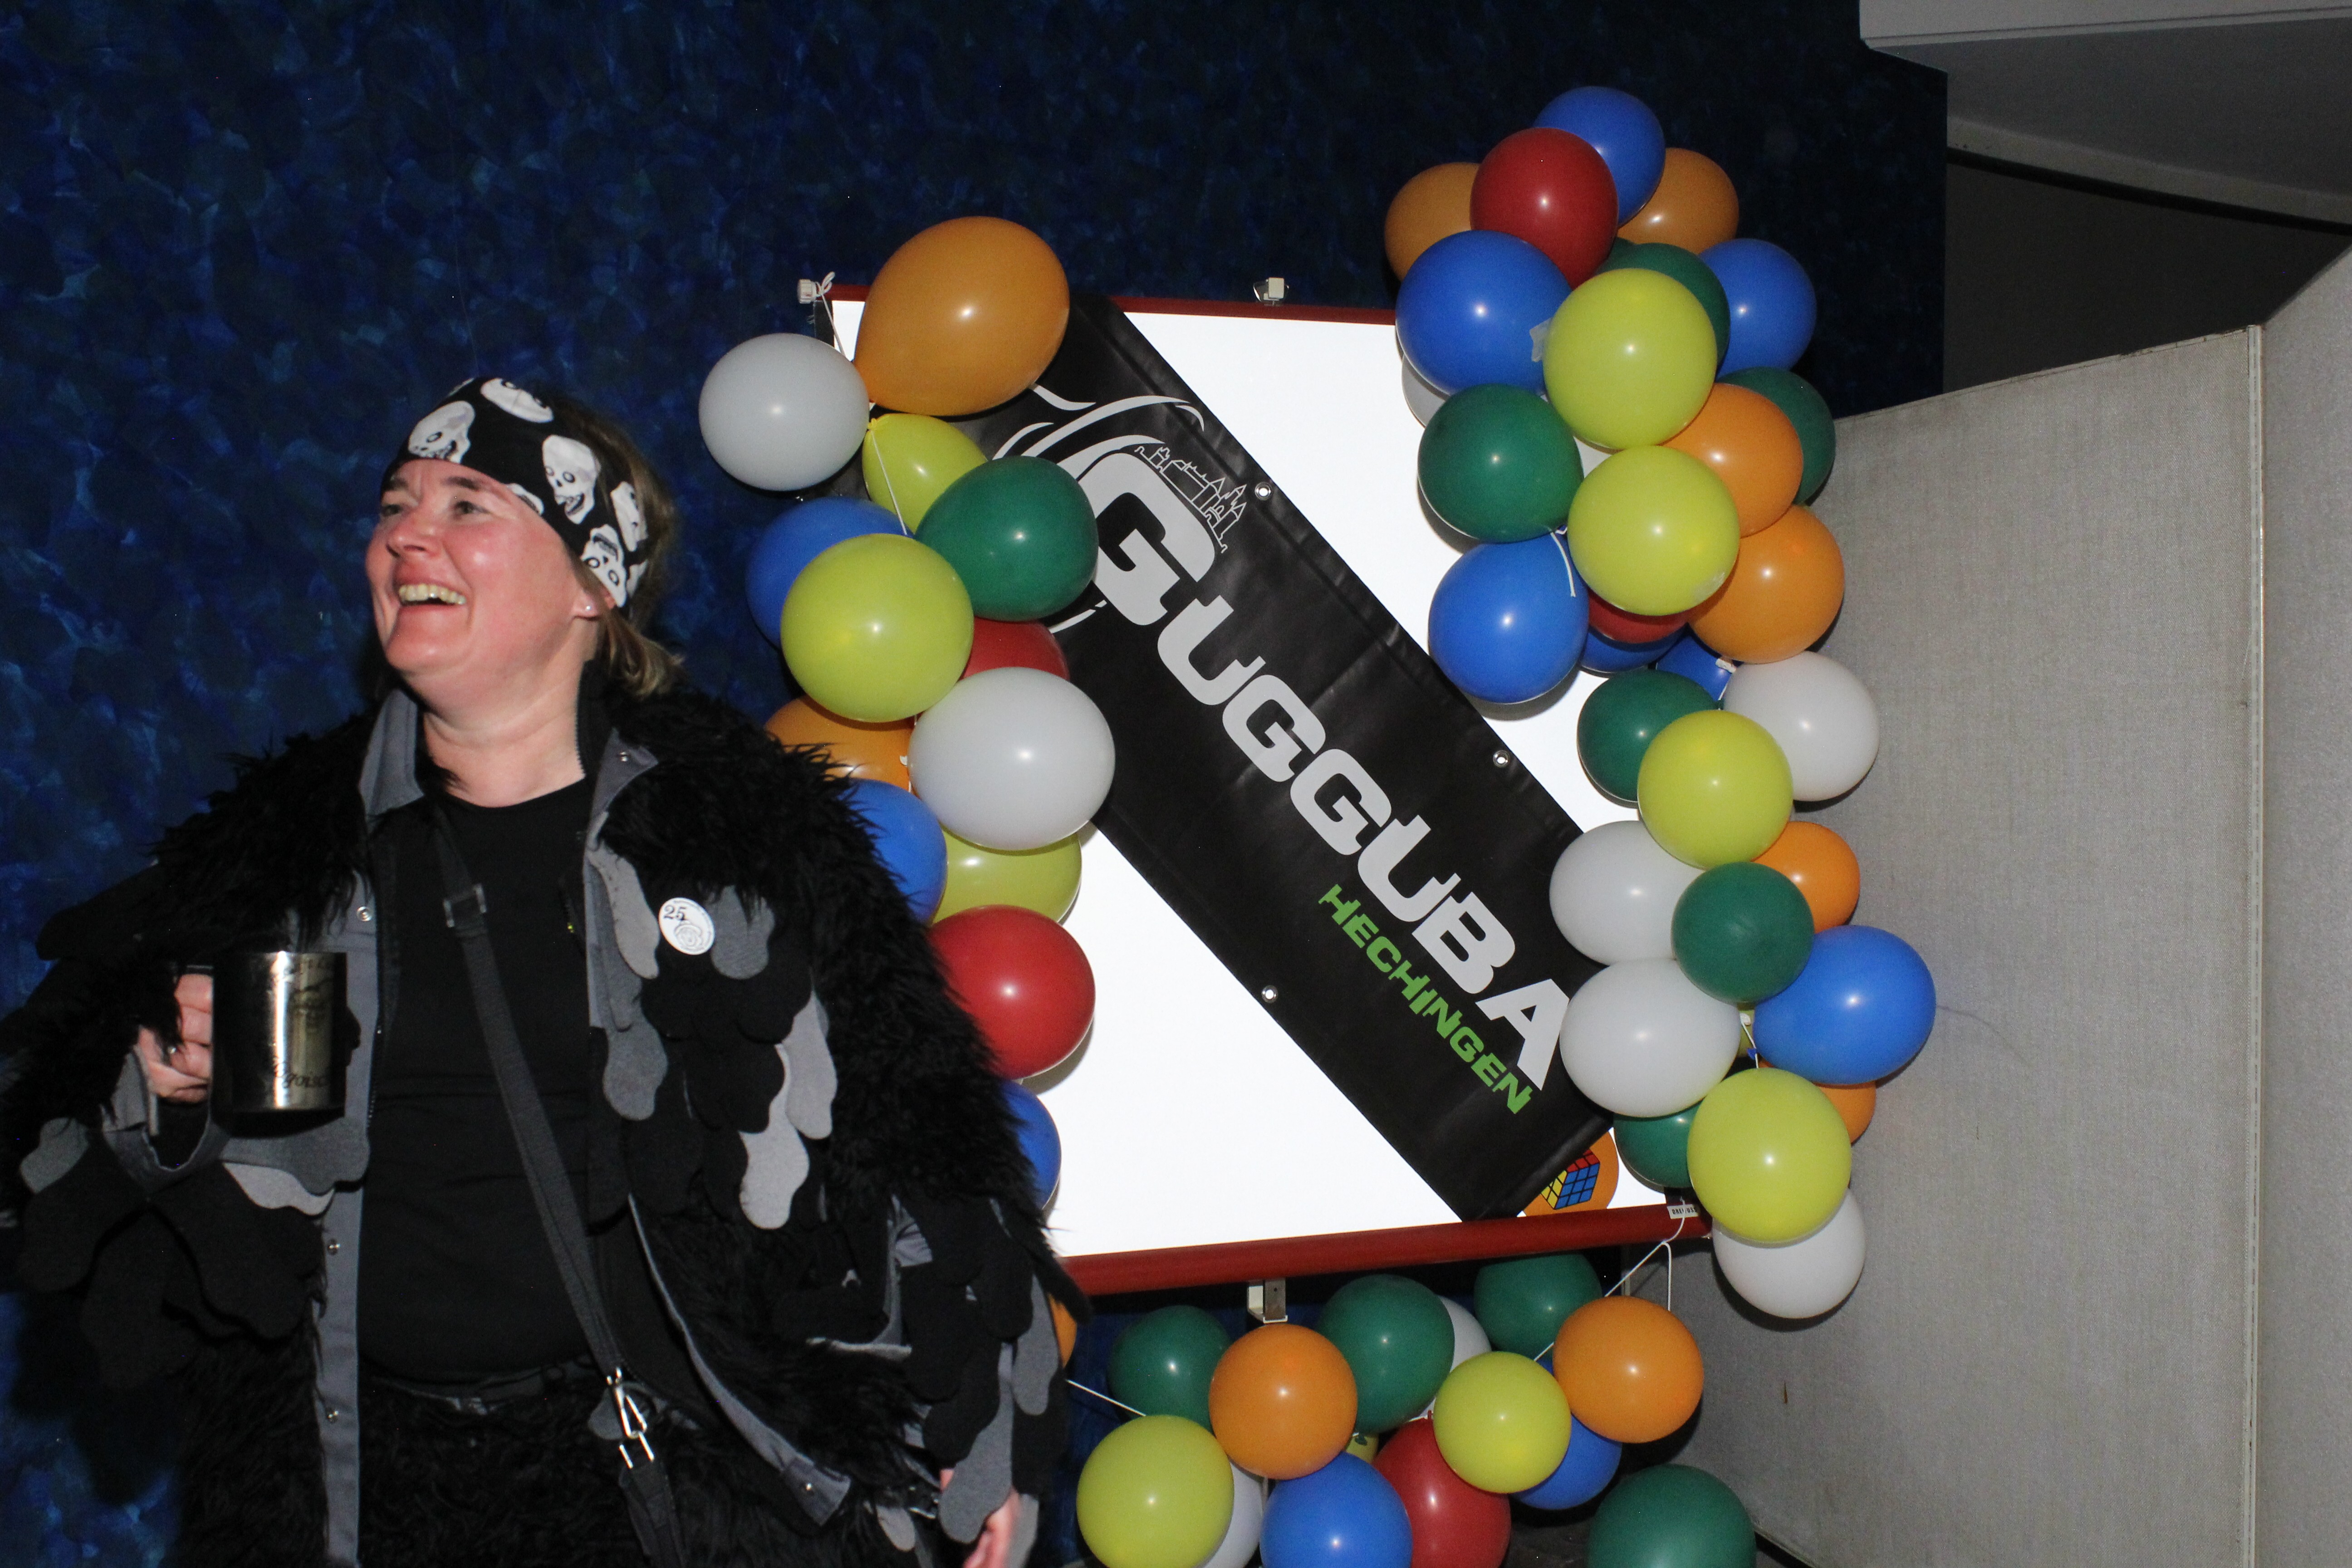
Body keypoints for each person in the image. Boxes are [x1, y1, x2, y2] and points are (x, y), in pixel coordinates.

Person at [0, 376, 1079, 1568]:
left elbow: (922, 1137)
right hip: (353, 1497)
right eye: (395, 505)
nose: (407, 534)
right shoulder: (274, 857)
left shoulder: (742, 840)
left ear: (591, 584)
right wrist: (164, 1090)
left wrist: (990, 1426)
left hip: (662, 1489)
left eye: (468, 504)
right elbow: (76, 1161)